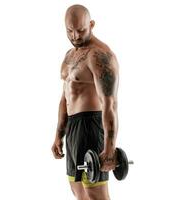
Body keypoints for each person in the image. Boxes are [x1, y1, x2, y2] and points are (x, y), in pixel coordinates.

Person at [51, 4, 119, 200]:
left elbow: (110, 105)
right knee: (77, 191)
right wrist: (59, 135)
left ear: (91, 24)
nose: (75, 36)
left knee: (95, 194)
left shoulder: (100, 56)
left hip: (91, 126)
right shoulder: (70, 55)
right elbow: (65, 97)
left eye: (80, 30)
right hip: (73, 129)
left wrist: (109, 148)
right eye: (70, 31)